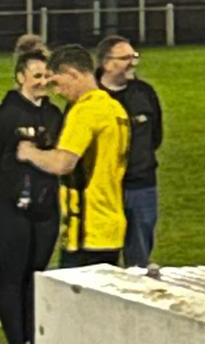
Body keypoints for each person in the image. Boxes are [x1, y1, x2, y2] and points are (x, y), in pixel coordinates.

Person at [17, 44, 130, 268]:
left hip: (87, 230)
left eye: (56, 82)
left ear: (72, 74)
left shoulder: (84, 111)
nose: (56, 92)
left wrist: (29, 153)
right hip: (112, 224)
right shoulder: (114, 107)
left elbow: (63, 163)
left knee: (73, 302)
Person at [0, 41, 62, 344]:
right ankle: (17, 338)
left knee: (37, 275)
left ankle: (33, 335)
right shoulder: (7, 115)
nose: (42, 82)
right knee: (13, 276)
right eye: (36, 76)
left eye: (46, 76)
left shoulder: (54, 114)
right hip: (11, 211)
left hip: (47, 209)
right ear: (20, 77)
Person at [96, 36, 163, 267]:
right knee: (101, 262)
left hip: (142, 185)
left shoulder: (145, 93)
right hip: (103, 191)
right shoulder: (89, 98)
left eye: (134, 57)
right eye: (125, 58)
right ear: (106, 63)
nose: (133, 63)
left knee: (140, 259)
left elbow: (155, 137)